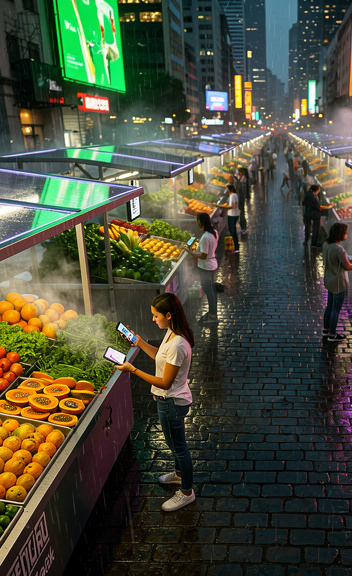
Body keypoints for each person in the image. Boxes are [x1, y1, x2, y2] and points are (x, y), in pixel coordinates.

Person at [114, 293, 196, 511]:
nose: (153, 319)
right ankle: (179, 475)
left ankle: (187, 492)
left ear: (168, 315)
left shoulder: (178, 344)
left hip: (172, 403)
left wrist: (133, 370)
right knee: (174, 444)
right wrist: (139, 342)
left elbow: (165, 382)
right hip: (167, 400)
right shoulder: (172, 332)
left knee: (179, 447)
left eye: (156, 315)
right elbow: (160, 356)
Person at [322, 223, 352, 342]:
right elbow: (347, 266)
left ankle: (326, 330)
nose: (346, 235)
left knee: (329, 306)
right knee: (335, 309)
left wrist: (347, 258)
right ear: (340, 234)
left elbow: (337, 259)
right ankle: (332, 335)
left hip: (329, 279)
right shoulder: (339, 249)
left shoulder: (326, 244)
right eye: (345, 233)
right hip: (339, 282)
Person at [186, 212, 219, 323]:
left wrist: (189, 252)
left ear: (201, 222)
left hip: (206, 267)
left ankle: (213, 316)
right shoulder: (214, 232)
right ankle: (212, 312)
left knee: (209, 291)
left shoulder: (205, 237)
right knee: (212, 290)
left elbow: (203, 256)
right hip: (212, 264)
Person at [214, 184, 241, 253]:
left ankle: (236, 247)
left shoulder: (232, 196)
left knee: (232, 230)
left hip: (233, 214)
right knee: (232, 230)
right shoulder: (234, 195)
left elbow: (231, 206)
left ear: (229, 189)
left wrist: (221, 207)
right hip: (234, 214)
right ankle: (235, 246)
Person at [236, 167, 250, 233]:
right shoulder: (243, 178)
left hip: (241, 197)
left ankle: (243, 225)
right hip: (241, 197)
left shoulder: (243, 178)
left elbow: (242, 188)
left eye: (239, 171)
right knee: (241, 210)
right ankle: (243, 224)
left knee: (241, 210)